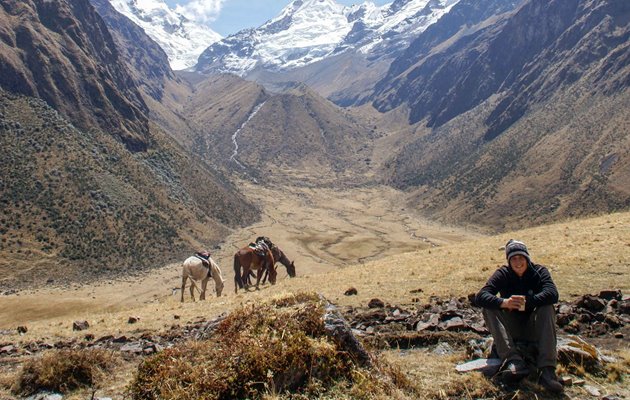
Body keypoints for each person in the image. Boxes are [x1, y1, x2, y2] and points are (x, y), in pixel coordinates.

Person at [475, 239, 563, 393]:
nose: (518, 262)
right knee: (489, 308)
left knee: (547, 308)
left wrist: (528, 302)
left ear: (527, 258)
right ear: (509, 261)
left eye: (521, 257)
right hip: (511, 328)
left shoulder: (539, 272)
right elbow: (481, 296)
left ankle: (547, 369)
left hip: (534, 327)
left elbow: (552, 294)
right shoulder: (503, 273)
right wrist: (505, 303)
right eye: (513, 258)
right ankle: (512, 361)